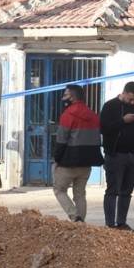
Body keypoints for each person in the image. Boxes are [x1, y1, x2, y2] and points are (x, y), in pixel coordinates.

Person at [99, 81, 134, 231]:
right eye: (130, 99)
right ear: (124, 93)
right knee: (112, 190)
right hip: (116, 155)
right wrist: (123, 120)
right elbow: (104, 129)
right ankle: (110, 225)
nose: (132, 102)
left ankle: (121, 223)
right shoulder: (110, 106)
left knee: (126, 191)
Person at [52, 84, 103, 223]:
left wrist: (57, 159)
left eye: (65, 95)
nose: (63, 98)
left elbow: (61, 141)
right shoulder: (93, 116)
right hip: (86, 164)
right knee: (80, 194)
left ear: (72, 97)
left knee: (59, 190)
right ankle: (81, 224)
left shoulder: (68, 115)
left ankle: (75, 217)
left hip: (68, 163)